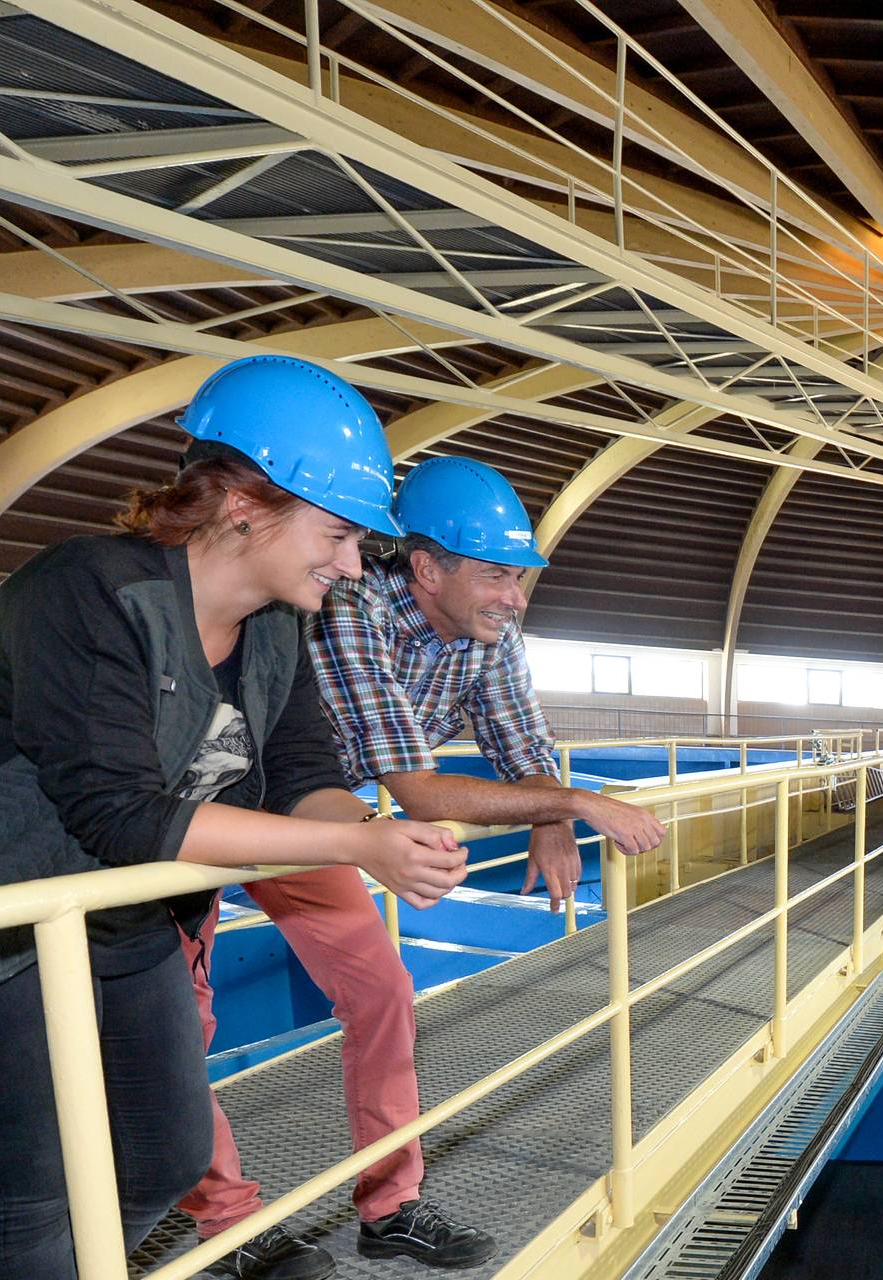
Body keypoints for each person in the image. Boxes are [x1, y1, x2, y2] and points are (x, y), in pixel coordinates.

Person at [0, 352, 470, 1280]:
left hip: (111, 909)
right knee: (25, 1192)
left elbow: (299, 772)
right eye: (339, 535)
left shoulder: (275, 625)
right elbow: (124, 818)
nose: (350, 567)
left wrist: (384, 835)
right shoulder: (89, 590)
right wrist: (356, 841)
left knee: (166, 1153)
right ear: (243, 505)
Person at [180, 455, 664, 1280]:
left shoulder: (489, 636)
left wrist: (550, 804)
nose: (515, 599)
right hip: (204, 808)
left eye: (520, 578)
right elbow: (416, 788)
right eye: (499, 576)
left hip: (312, 815)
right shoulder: (349, 602)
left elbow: (522, 741)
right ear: (428, 569)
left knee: (381, 990)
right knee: (182, 1025)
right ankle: (226, 1226)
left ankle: (391, 1207)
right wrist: (573, 806)